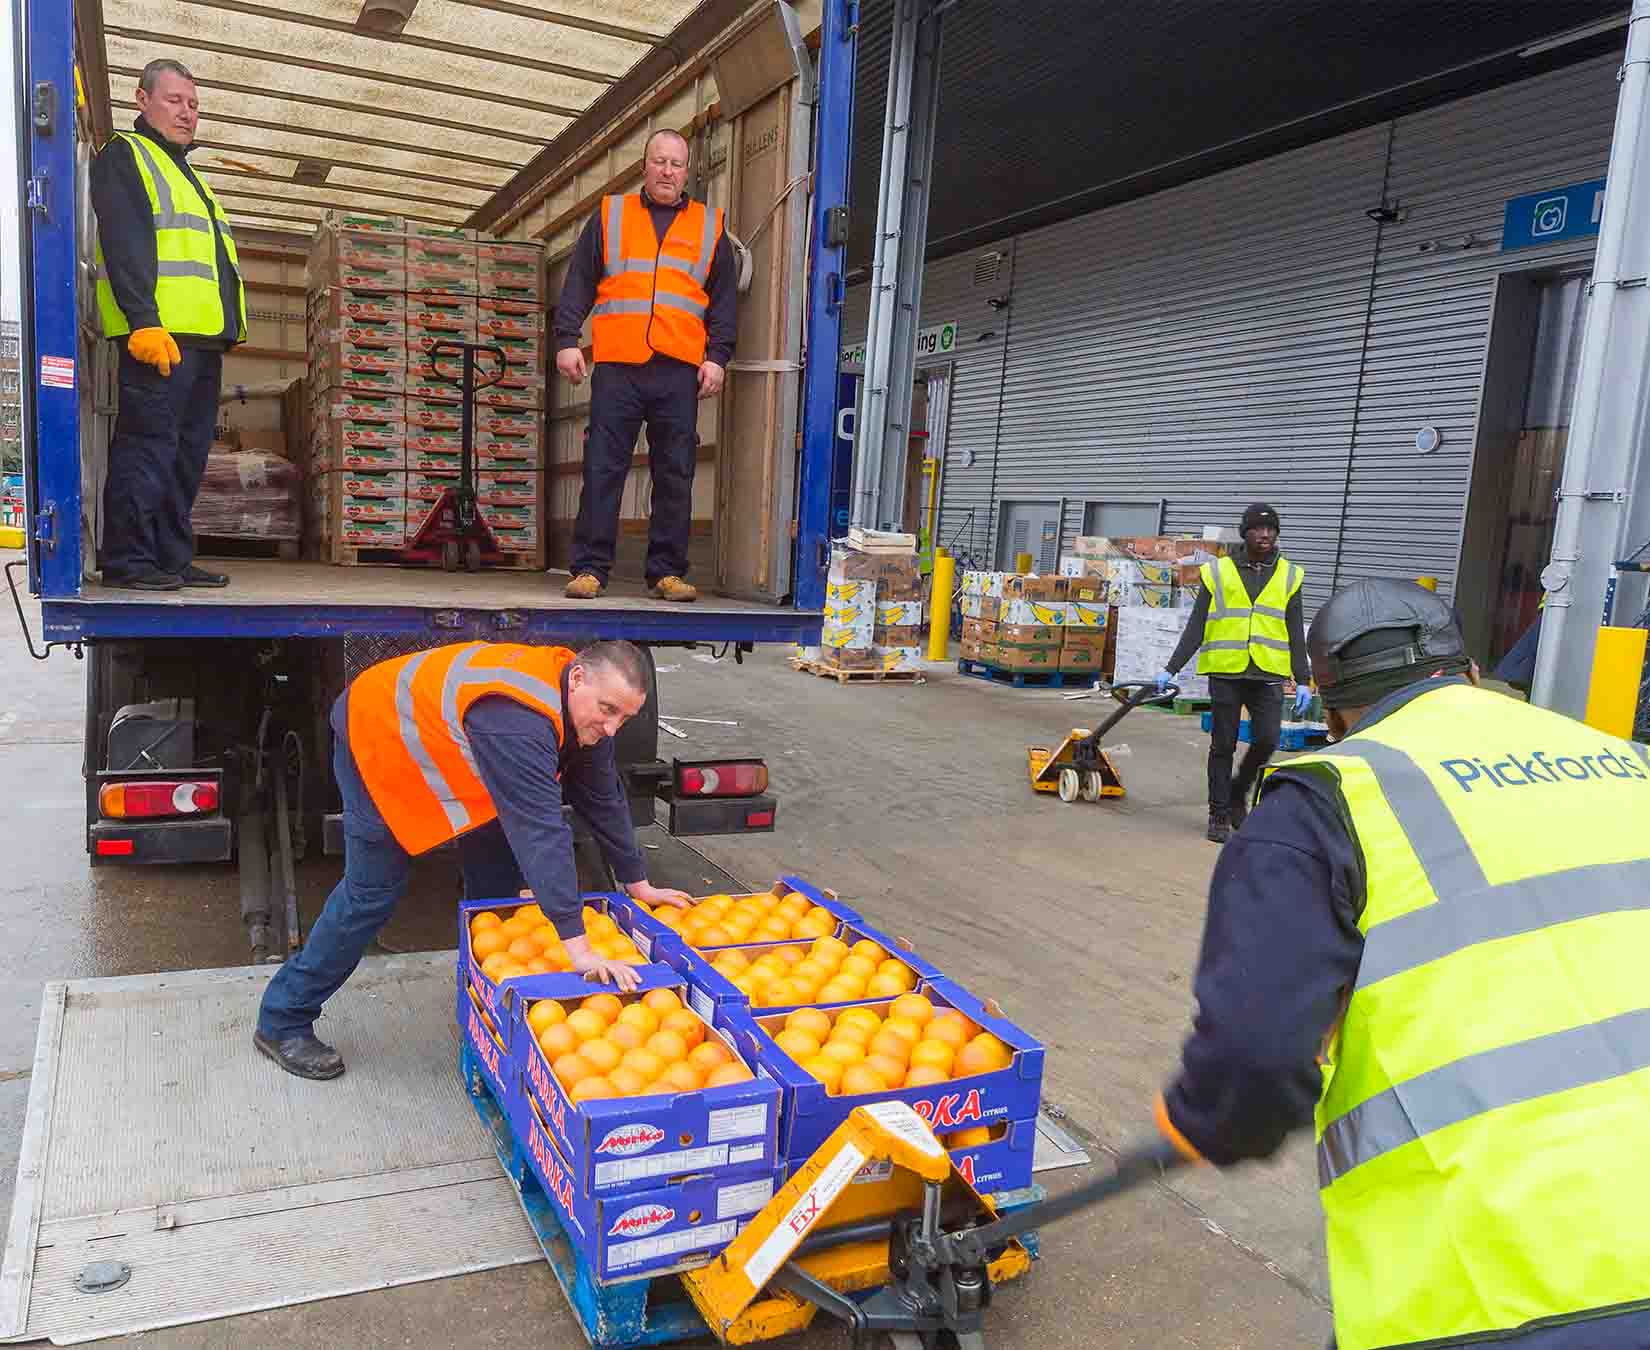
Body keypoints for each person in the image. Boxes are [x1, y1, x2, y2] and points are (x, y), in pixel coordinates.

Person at [1154, 579, 1650, 1350]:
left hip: (1500, 1289)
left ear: (1331, 710)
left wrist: (1206, 1119)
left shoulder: (1324, 807)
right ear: (1473, 672)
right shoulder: (1624, 763)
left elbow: (1253, 1056)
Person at [254, 639, 692, 1080]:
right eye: (608, 710)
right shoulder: (517, 722)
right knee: (372, 890)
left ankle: (487, 1005)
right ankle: (283, 1018)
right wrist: (578, 949)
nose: (613, 727)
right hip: (379, 733)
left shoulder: (578, 705)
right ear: (578, 677)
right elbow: (541, 832)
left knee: (497, 887)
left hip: (454, 747)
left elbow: (602, 796)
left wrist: (638, 882)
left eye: (625, 717)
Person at [551, 129, 738, 604]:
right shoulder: (611, 216)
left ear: (687, 170)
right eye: (659, 162)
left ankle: (667, 573)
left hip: (678, 367)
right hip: (619, 364)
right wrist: (567, 340)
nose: (668, 171)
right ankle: (590, 568)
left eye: (676, 164)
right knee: (603, 466)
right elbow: (579, 282)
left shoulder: (709, 226)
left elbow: (723, 303)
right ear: (644, 166)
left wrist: (717, 356)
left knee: (675, 470)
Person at [90, 59, 244, 592]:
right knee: (148, 446)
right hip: (159, 335)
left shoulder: (187, 172)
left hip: (200, 339)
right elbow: (126, 243)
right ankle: (129, 560)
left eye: (194, 105)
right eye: (176, 100)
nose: (187, 113)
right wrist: (142, 322)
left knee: (187, 455)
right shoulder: (125, 155)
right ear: (142, 99)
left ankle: (171, 557)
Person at [1156, 502, 1310, 843]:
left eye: (1271, 529)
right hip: (1226, 672)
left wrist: (1303, 679)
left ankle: (1239, 792)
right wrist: (1171, 668)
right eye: (1258, 528)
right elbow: (1197, 625)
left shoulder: (1290, 575)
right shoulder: (1219, 572)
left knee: (1268, 739)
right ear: (1245, 533)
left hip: (1268, 671)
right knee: (1222, 744)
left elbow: (1295, 631)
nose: (1266, 534)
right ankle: (1219, 813)